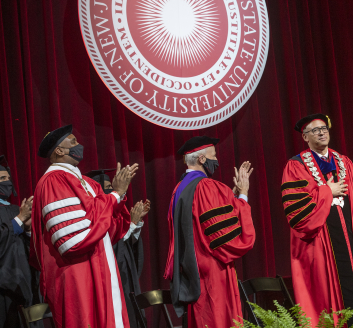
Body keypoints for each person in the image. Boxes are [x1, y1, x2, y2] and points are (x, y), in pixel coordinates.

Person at [281, 114, 353, 328]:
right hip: (320, 244)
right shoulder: (296, 166)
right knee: (327, 300)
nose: (321, 132)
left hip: (351, 242)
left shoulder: (344, 161)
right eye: (315, 130)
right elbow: (297, 211)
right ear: (305, 137)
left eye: (324, 128)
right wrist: (326, 191)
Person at [31, 125, 137, 328]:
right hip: (77, 272)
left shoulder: (87, 182)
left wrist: (119, 196)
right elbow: (72, 240)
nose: (79, 145)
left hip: (99, 264)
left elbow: (108, 229)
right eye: (73, 141)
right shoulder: (53, 181)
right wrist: (114, 195)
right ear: (59, 151)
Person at [164, 136, 255, 328]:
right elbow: (223, 233)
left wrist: (230, 198)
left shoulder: (179, 188)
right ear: (202, 159)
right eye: (213, 156)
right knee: (218, 320)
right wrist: (243, 194)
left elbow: (209, 217)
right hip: (213, 269)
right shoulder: (207, 186)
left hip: (191, 269)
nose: (216, 160)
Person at [0, 156, 40, 328]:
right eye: (2, 179)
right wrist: (20, 219)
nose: (8, 182)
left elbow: (27, 250)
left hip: (21, 286)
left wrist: (27, 229)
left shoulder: (15, 210)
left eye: (8, 178)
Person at [87, 169, 151, 328]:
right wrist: (133, 224)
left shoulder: (116, 213)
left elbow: (127, 246)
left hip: (125, 277)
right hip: (112, 278)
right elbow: (112, 245)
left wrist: (135, 225)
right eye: (107, 187)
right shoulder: (95, 215)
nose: (111, 190)